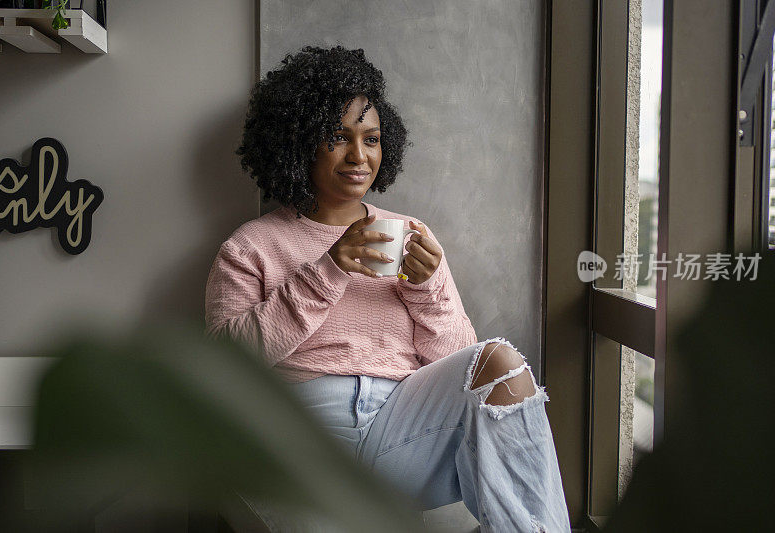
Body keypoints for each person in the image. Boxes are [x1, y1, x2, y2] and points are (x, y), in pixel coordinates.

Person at [204, 44, 570, 532]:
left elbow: (457, 365)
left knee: (498, 363)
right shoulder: (251, 246)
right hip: (303, 435)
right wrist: (328, 270)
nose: (359, 156)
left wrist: (428, 288)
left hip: (405, 430)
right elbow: (224, 367)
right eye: (338, 137)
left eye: (371, 138)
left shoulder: (409, 234)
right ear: (298, 142)